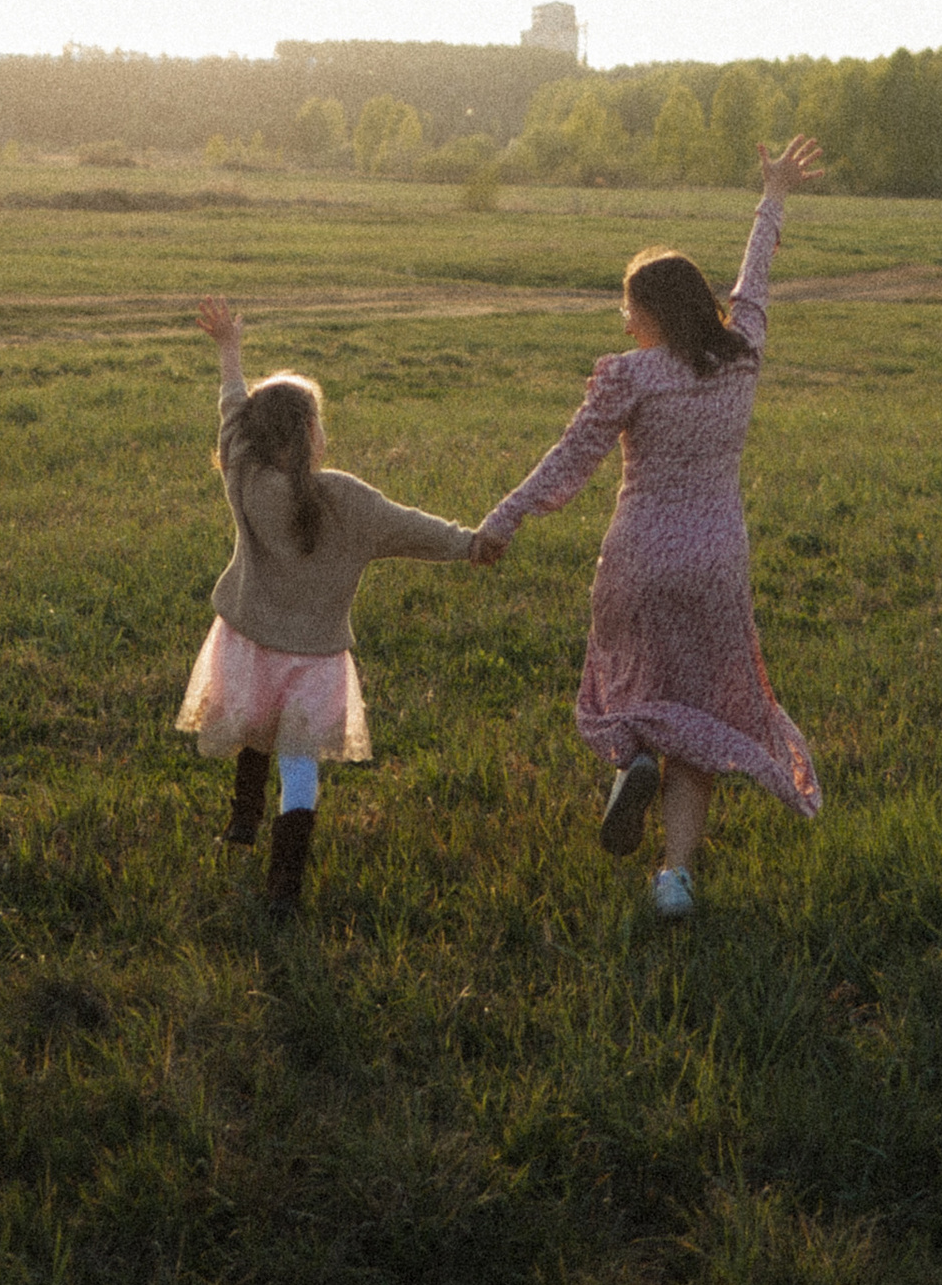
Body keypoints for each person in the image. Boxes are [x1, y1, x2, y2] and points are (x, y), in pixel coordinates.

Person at [471, 134, 824, 917]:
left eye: (628, 308)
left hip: (638, 558)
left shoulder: (631, 376)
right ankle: (674, 878)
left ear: (650, 314)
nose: (624, 321)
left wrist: (499, 523)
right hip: (715, 563)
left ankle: (629, 757)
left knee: (629, 687)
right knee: (696, 721)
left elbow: (568, 460)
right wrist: (774, 195)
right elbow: (755, 283)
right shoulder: (742, 358)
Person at [179, 296, 480, 915]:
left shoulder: (243, 477)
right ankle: (284, 887)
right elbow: (417, 529)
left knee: (252, 725)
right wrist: (473, 544)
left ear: (259, 439)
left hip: (249, 642)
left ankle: (242, 823)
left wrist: (230, 355)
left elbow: (231, 416)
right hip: (315, 659)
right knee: (298, 763)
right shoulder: (347, 498)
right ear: (311, 435)